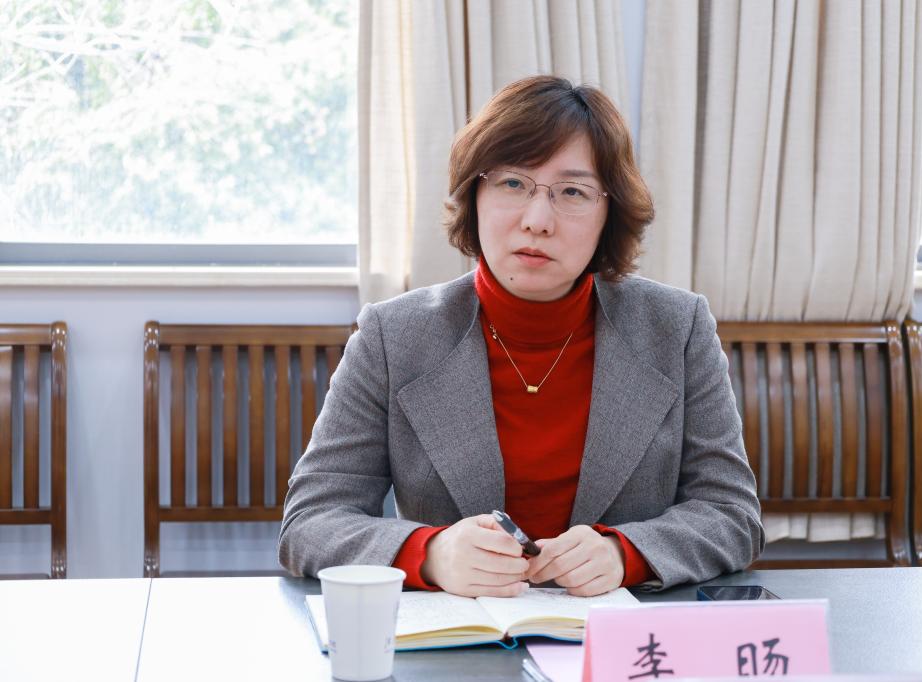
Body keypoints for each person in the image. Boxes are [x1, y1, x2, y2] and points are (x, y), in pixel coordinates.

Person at [279, 75, 763, 596]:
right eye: (513, 183)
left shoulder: (677, 327)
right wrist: (430, 553)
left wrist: (628, 553)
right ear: (475, 194)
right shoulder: (393, 336)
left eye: (572, 192)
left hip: (618, 631)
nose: (537, 221)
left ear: (610, 214)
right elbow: (311, 521)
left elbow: (731, 513)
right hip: (459, 632)